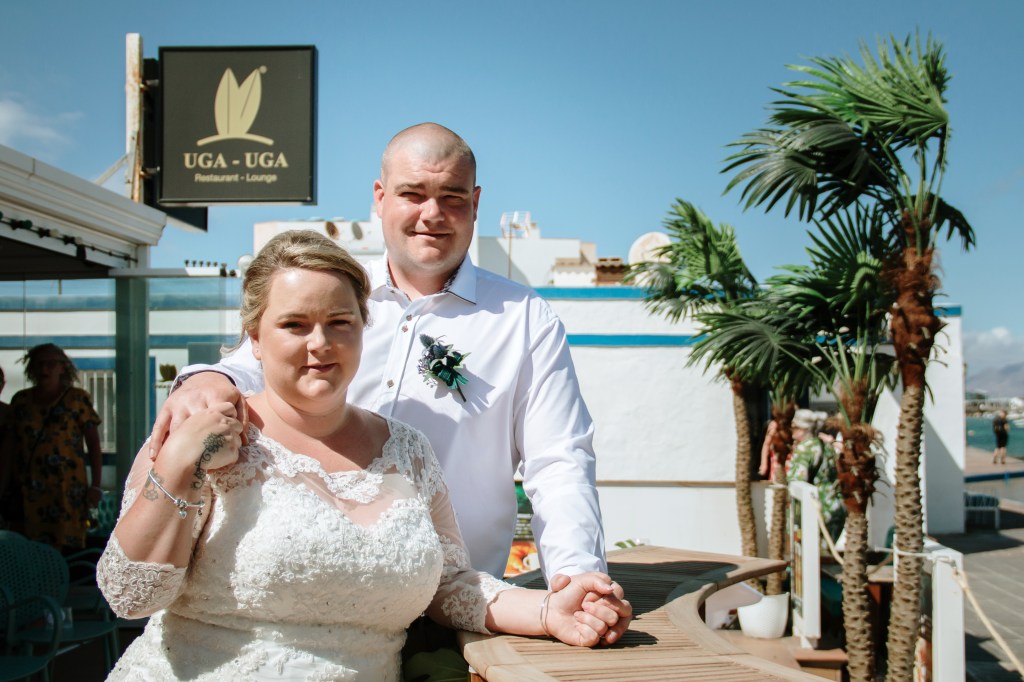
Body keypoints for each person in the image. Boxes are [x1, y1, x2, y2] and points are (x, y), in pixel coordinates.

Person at [97, 231, 630, 680]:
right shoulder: (207, 433)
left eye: (339, 322)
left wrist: (546, 609)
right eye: (294, 325)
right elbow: (130, 595)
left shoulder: (408, 450)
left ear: (362, 329)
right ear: (253, 338)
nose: (320, 343)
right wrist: (177, 463)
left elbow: (449, 585)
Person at [156, 122, 606, 584]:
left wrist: (576, 577)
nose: (432, 214)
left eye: (452, 197)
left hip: (451, 604)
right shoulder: (332, 294)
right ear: (380, 197)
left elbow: (559, 461)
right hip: (310, 588)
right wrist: (207, 379)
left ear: (474, 204)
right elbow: (250, 368)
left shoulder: (525, 320)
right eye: (413, 194)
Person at [0, 344, 103, 550]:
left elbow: (93, 443)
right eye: (39, 364)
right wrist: (2, 489)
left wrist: (96, 485)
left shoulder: (77, 399)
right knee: (27, 549)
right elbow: (9, 449)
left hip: (66, 490)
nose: (44, 370)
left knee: (64, 547)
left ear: (62, 367)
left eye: (51, 364)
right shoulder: (21, 401)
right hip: (27, 490)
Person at [786, 410, 845, 545]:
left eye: (794, 427)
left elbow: (796, 482)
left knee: (811, 559)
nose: (792, 431)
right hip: (834, 507)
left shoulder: (805, 448)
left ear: (803, 429)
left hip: (816, 511)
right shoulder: (825, 445)